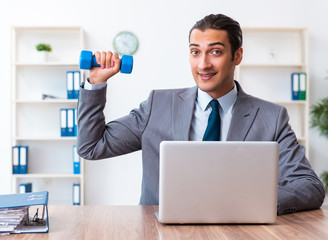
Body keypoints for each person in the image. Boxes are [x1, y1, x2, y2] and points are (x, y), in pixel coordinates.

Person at [77, 14, 325, 215]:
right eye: (195, 52)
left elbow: (309, 186)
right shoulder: (158, 105)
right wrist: (95, 83)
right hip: (161, 231)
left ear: (237, 56)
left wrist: (255, 204)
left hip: (238, 232)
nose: (203, 64)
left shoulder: (271, 117)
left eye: (215, 52)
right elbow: (91, 146)